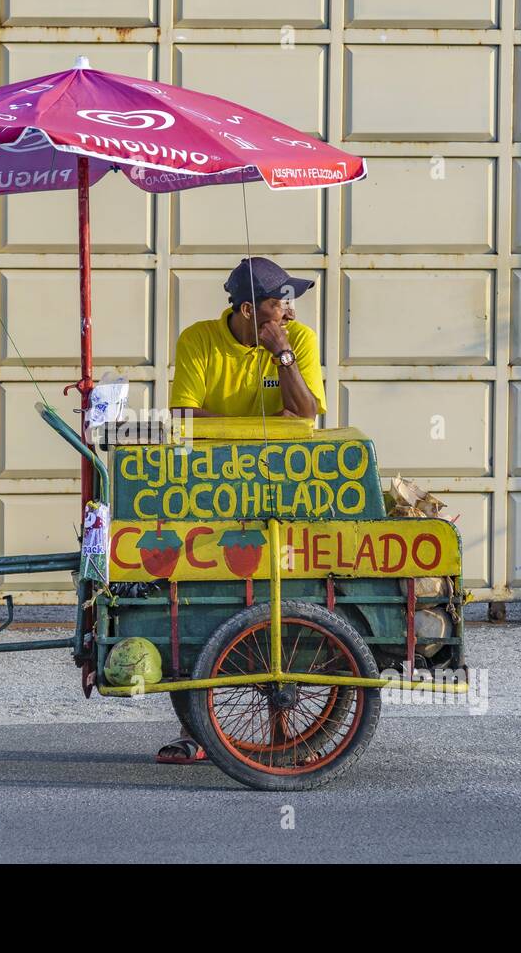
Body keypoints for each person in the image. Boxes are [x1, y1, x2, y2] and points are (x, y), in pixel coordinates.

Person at [156, 257, 327, 765]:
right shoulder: (199, 339)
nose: (289, 311)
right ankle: (195, 732)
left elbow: (308, 414)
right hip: (207, 491)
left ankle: (283, 733)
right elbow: (183, 414)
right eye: (280, 303)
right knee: (197, 610)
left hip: (280, 491)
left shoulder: (298, 342)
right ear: (250, 309)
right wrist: (263, 428)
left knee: (277, 609)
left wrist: (283, 357)